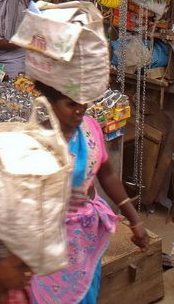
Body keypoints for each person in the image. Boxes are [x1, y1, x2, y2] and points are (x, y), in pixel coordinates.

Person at [30, 81, 149, 304]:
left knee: (85, 294)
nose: (80, 109)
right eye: (70, 104)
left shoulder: (90, 128)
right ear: (52, 104)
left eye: (83, 102)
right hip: (48, 243)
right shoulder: (37, 142)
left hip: (84, 237)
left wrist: (134, 220)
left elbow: (107, 174)